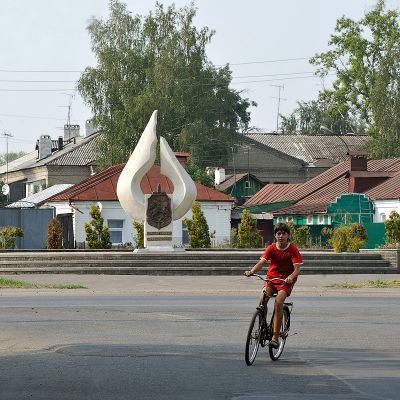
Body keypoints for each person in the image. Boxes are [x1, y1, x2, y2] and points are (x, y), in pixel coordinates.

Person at [244, 222, 303, 349]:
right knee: (262, 299)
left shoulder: (292, 249)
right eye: (278, 233)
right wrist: (252, 271)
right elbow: (262, 262)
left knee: (278, 302)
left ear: (288, 235)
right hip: (271, 278)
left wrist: (291, 277)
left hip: (286, 280)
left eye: (284, 233)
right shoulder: (271, 248)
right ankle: (262, 326)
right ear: (275, 235)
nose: (281, 236)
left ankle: (275, 337)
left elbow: (297, 269)